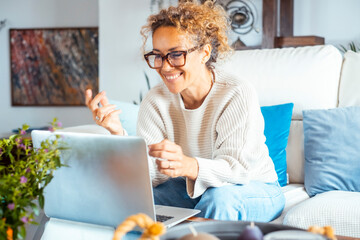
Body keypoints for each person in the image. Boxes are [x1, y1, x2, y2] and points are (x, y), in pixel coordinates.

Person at [85, 0, 285, 221]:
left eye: (176, 54)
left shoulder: (235, 93)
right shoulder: (155, 101)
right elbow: (152, 175)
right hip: (192, 187)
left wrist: (188, 165)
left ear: (204, 53)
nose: (165, 66)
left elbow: (236, 170)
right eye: (158, 56)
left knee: (219, 199)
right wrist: (117, 133)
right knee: (136, 201)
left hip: (254, 186)